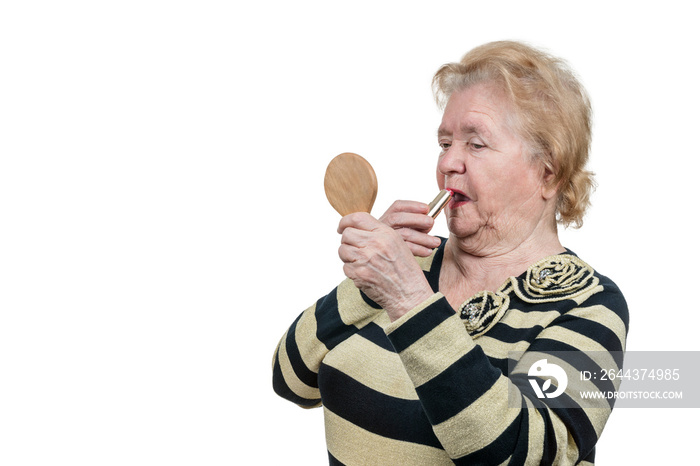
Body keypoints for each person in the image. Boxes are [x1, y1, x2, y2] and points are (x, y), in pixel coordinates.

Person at [272, 40, 628, 465]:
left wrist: (407, 298)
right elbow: (291, 379)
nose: (448, 164)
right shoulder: (411, 261)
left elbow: (522, 455)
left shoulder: (590, 304)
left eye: (475, 145)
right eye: (445, 144)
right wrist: (367, 285)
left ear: (547, 173)